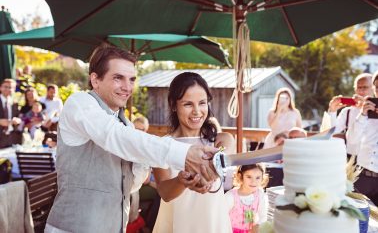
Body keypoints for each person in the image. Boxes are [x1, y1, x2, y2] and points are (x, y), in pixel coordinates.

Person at [45, 45, 219, 233]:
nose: (127, 87)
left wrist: (178, 176)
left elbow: (131, 183)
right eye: (118, 78)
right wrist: (184, 153)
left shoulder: (125, 123)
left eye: (132, 79)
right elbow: (113, 136)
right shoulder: (79, 104)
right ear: (95, 80)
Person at [153, 72, 234, 233]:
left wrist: (214, 164)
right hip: (177, 224)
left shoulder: (221, 140)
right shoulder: (162, 145)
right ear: (174, 105)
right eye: (188, 104)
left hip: (214, 224)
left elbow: (224, 153)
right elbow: (165, 193)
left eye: (202, 103)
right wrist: (181, 181)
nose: (197, 111)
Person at [346, 71, 378, 206]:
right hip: (362, 176)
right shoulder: (365, 111)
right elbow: (352, 141)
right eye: (377, 87)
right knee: (357, 218)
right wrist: (362, 115)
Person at [326, 73, 373, 157]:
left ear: (373, 89)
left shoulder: (376, 110)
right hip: (351, 159)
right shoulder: (347, 112)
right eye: (359, 87)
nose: (361, 91)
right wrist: (332, 111)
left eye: (365, 87)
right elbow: (330, 133)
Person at [225, 164, 269, 233]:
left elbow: (263, 216)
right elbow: (221, 217)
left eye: (257, 177)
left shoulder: (260, 194)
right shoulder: (231, 196)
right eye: (249, 177)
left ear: (262, 178)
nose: (253, 182)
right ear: (240, 177)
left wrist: (258, 226)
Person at [0, 79, 22, 148]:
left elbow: (19, 117)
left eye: (10, 87)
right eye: (5, 87)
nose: (8, 89)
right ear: (1, 87)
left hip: (11, 138)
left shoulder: (15, 103)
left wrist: (17, 120)